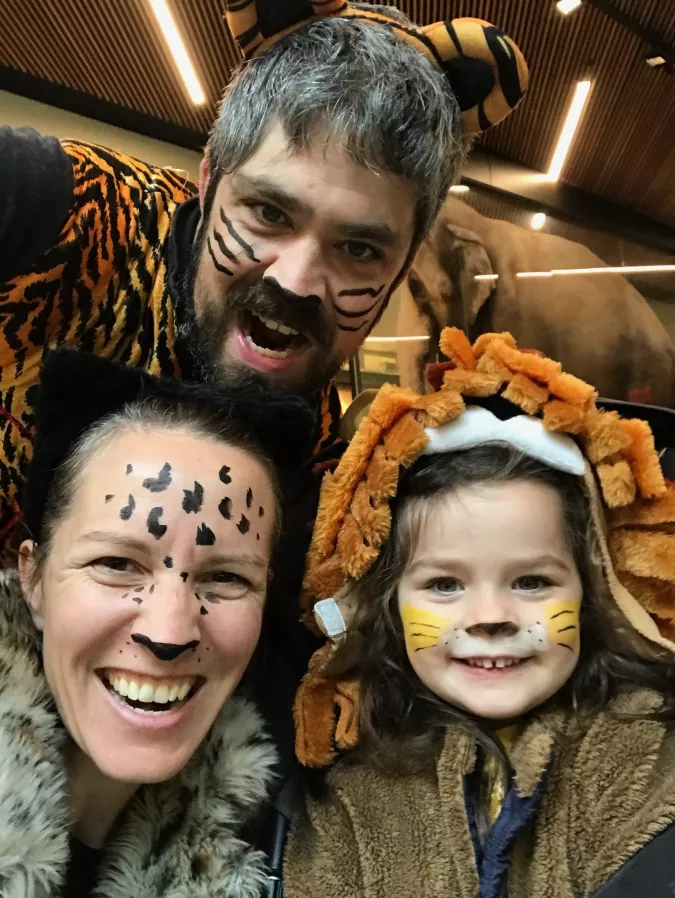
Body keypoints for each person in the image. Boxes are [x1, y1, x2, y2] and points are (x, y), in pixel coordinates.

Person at [0, 2, 528, 556]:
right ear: (208, 183)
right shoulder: (77, 216)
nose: (297, 283)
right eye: (270, 213)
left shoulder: (322, 473)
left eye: (359, 248)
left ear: (402, 268)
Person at [285, 328, 675, 897]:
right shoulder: (352, 794)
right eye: (444, 584)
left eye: (532, 581)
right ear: (387, 605)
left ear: (596, 594)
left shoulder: (648, 764)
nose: (491, 615)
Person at [0, 347, 313, 896]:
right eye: (117, 564)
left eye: (226, 579)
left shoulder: (299, 840)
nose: (169, 634)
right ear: (33, 581)